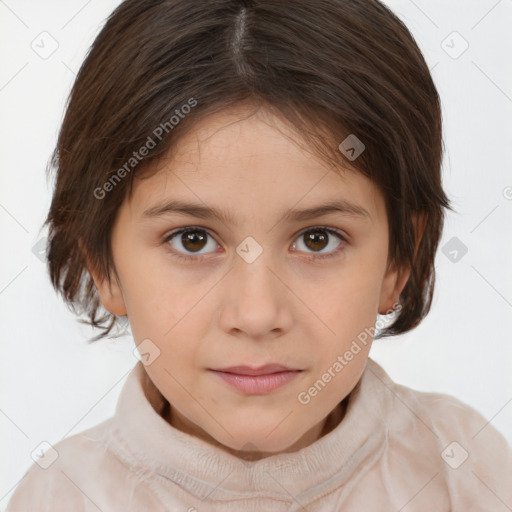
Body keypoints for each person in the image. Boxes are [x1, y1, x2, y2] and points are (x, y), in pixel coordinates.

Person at [7, 0, 511, 510]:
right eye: (193, 240)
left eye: (318, 239)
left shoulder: (465, 471)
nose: (256, 314)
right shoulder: (60, 497)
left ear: (400, 258)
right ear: (103, 263)